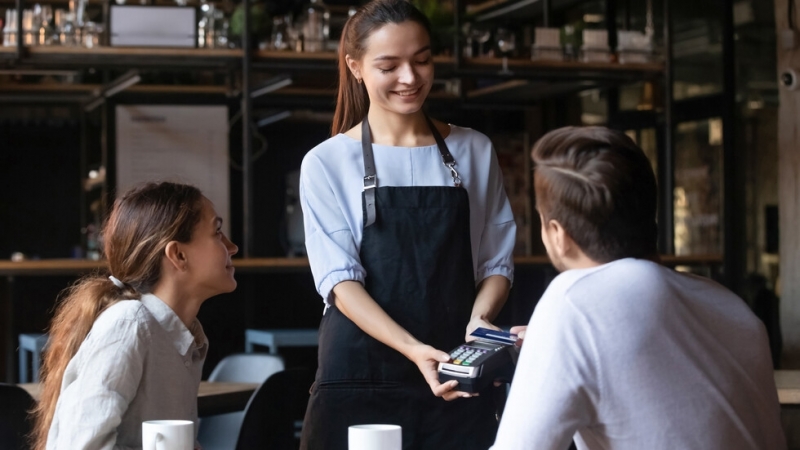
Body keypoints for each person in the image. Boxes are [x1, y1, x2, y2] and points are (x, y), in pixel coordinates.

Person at [298, 1, 516, 448]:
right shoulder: (326, 162)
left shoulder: (474, 150)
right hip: (361, 376)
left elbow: (496, 260)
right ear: (355, 67)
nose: (410, 78)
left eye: (421, 60)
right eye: (389, 65)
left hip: (454, 374)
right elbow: (340, 283)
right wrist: (413, 349)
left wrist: (480, 321)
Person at [491, 127, 786, 450]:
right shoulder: (731, 306)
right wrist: (552, 345)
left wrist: (559, 336)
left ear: (558, 234)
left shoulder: (572, 301)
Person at [30, 181, 239, 450]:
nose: (232, 247)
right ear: (178, 255)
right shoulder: (129, 325)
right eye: (217, 232)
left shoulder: (181, 336)